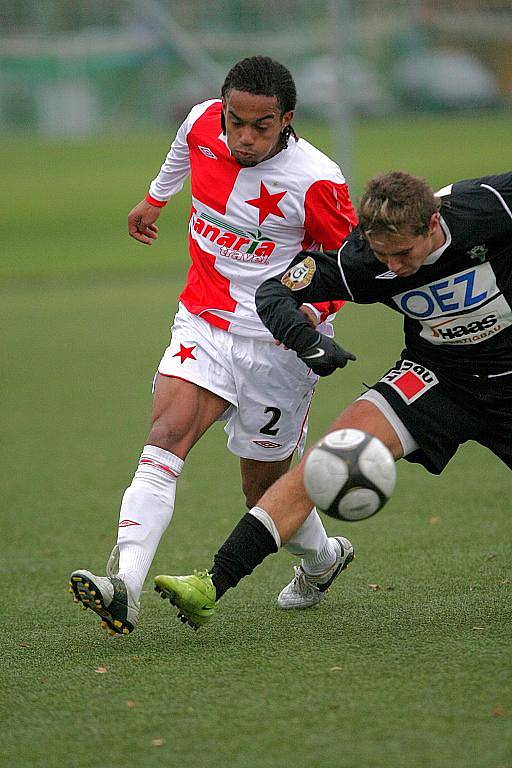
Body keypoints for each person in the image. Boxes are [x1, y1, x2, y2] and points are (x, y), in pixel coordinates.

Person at [68, 56, 357, 636]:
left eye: (261, 126)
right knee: (165, 436)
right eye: (236, 122)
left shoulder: (317, 180)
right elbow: (182, 148)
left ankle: (323, 561)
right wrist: (155, 198)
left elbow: (349, 265)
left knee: (264, 488)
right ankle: (124, 585)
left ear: (287, 120)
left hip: (278, 347)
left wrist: (311, 311)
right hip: (203, 320)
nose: (244, 137)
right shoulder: (202, 123)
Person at [154, 169, 512, 630]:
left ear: (432, 223)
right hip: (437, 378)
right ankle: (210, 585)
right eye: (384, 254)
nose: (395, 266)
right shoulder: (364, 261)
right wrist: (305, 338)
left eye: (404, 253)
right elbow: (275, 290)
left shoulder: (488, 205)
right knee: (327, 460)